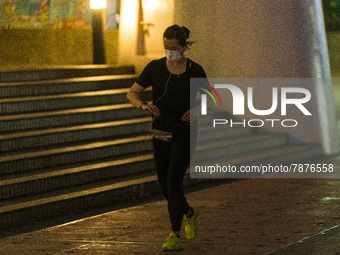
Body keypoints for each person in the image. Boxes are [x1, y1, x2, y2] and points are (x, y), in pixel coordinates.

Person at [127, 24, 207, 251]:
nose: (169, 52)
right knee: (165, 185)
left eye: (173, 48)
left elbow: (211, 98)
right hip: (161, 131)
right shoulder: (155, 68)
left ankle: (174, 234)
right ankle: (189, 212)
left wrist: (199, 109)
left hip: (186, 131)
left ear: (183, 47)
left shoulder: (195, 70)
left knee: (173, 179)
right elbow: (132, 92)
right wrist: (142, 104)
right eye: (165, 47)